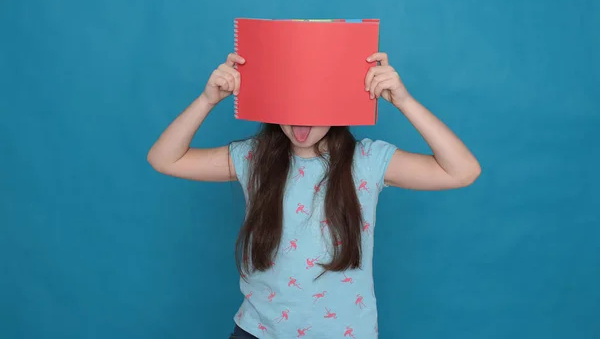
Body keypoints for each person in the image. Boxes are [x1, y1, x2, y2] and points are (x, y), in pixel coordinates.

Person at [147, 52, 481, 338]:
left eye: (313, 102)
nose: (299, 120)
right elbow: (164, 158)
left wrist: (404, 102)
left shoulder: (368, 161)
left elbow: (463, 171)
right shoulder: (254, 158)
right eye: (290, 103)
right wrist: (207, 100)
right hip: (258, 330)